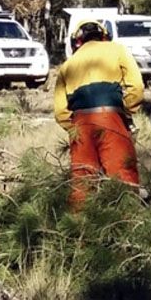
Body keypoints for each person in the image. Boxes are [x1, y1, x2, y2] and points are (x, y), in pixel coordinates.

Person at [54, 19, 144, 209]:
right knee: (123, 178)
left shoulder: (67, 65)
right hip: (110, 118)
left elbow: (60, 112)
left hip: (79, 125)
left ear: (77, 42)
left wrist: (74, 128)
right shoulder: (117, 50)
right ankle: (129, 225)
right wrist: (125, 111)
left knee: (82, 183)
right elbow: (136, 87)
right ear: (104, 36)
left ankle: (79, 231)